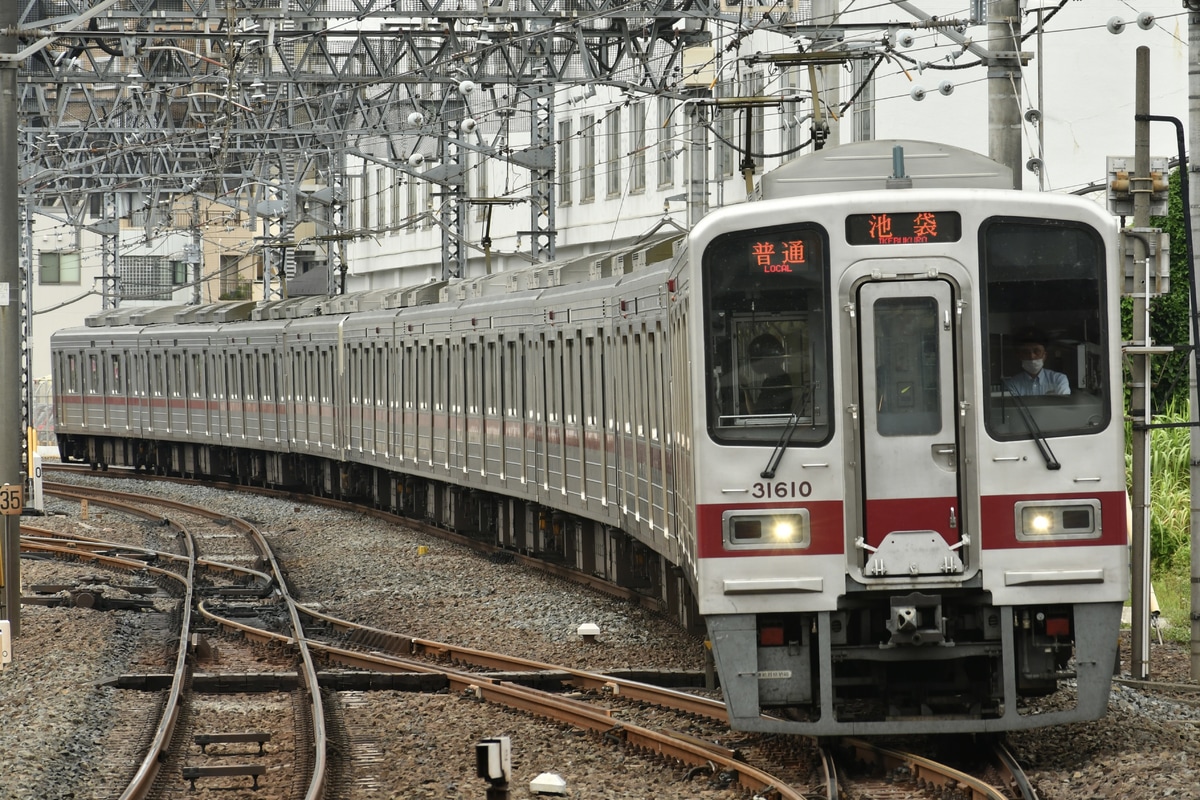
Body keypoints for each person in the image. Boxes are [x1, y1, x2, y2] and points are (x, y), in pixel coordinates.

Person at [1004, 333, 1070, 396]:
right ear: (1020, 357)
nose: (1032, 356)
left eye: (1037, 351)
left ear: (1044, 356)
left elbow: (1063, 405)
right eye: (1026, 352)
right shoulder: (1012, 384)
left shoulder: (1059, 379)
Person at [743, 333, 793, 414]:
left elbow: (755, 413)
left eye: (756, 359)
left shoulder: (775, 381)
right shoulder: (779, 378)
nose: (753, 363)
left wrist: (746, 389)